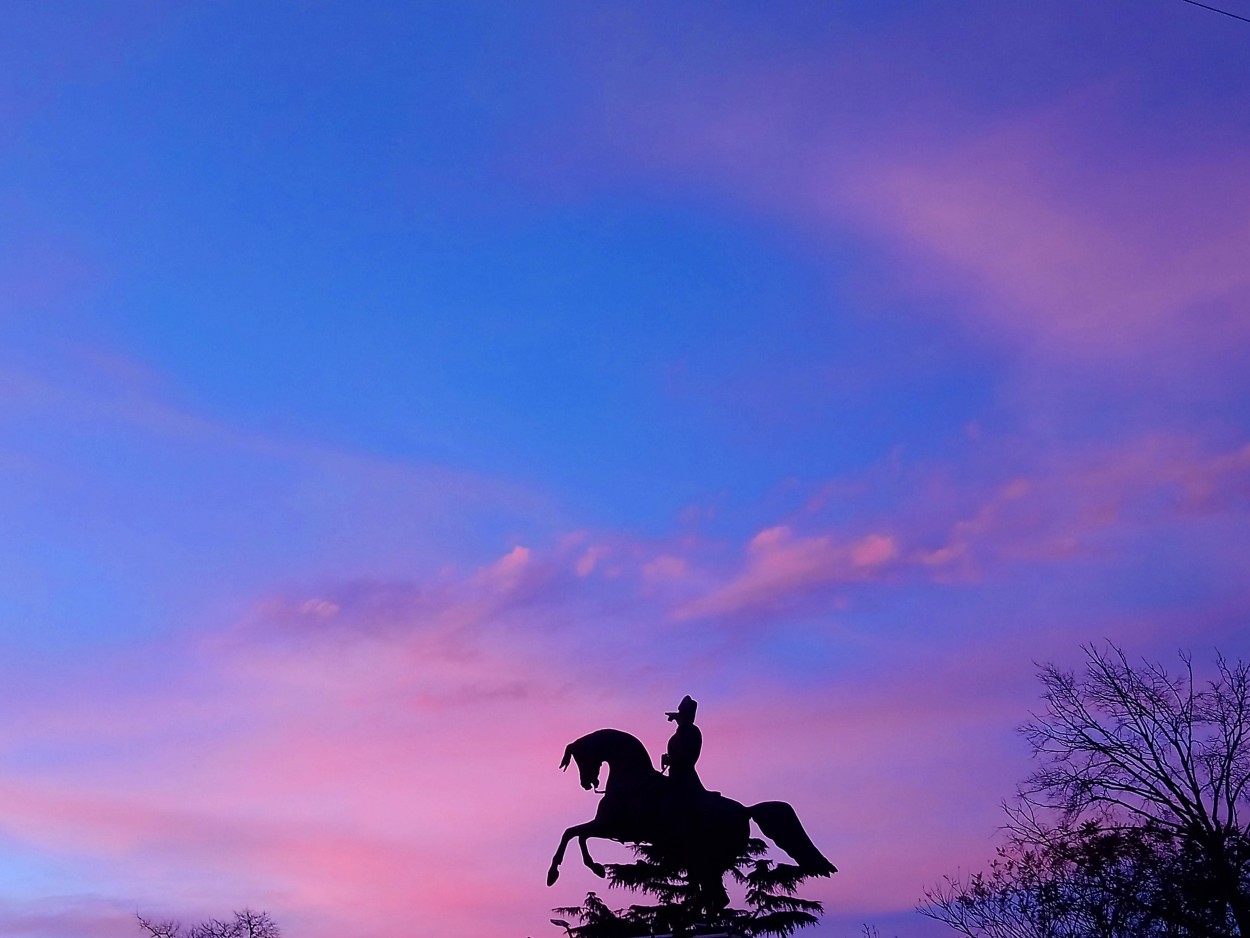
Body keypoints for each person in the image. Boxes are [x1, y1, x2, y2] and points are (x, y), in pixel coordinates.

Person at [660, 695, 704, 792]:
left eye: (682, 713)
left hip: (685, 778)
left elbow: (685, 756)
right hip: (675, 775)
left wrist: (670, 760)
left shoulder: (691, 731)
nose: (679, 714)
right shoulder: (683, 730)